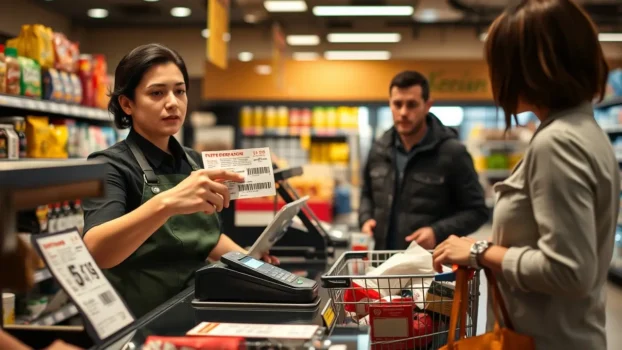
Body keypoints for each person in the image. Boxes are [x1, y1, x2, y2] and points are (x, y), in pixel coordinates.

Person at [432, 1, 616, 349]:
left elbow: (569, 271)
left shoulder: (558, 143)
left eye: (500, 63)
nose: (495, 77)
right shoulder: (583, 130)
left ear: (531, 68)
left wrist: (479, 252)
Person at [82, 43, 277, 318]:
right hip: (138, 325)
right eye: (157, 93)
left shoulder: (194, 161)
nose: (172, 102)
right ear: (127, 104)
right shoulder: (109, 165)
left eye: (180, 91)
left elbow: (207, 238)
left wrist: (253, 264)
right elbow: (97, 250)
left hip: (194, 312)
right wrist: (168, 202)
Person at [359, 71, 488, 250]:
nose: (403, 112)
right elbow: (367, 193)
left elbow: (477, 211)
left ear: (428, 105)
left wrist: (437, 232)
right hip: (382, 263)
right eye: (397, 104)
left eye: (412, 104)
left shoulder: (452, 152)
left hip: (430, 264)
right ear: (390, 104)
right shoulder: (379, 149)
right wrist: (365, 219)